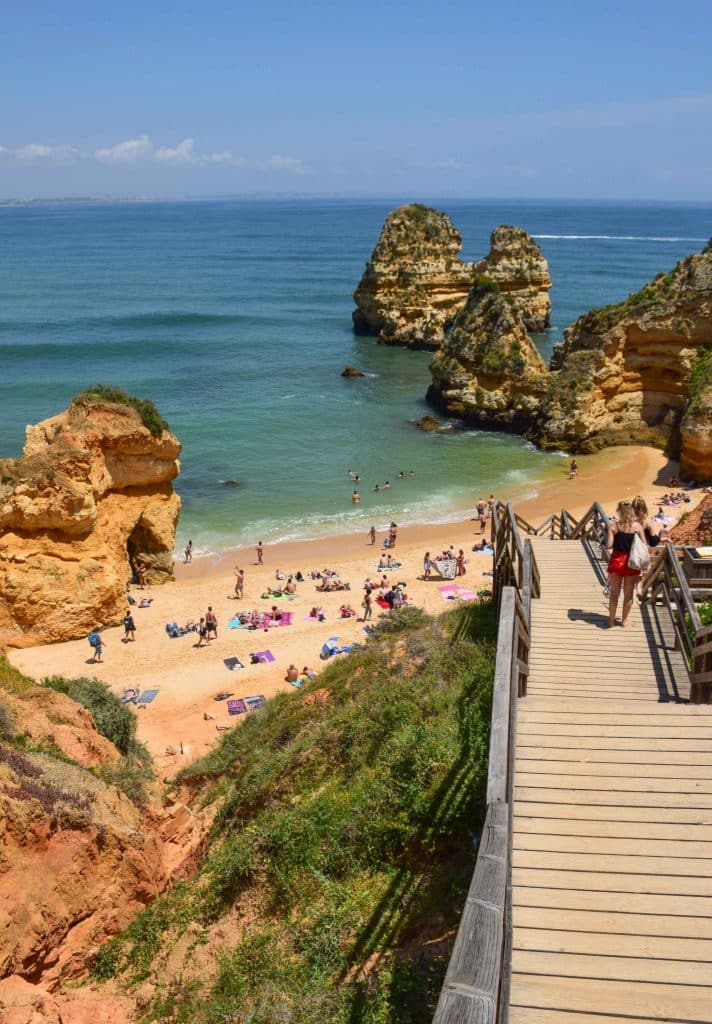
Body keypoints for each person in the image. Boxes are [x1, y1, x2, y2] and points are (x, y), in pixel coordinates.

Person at [606, 500, 646, 627]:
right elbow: (644, 545)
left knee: (614, 593)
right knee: (628, 594)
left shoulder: (614, 526)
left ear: (619, 511)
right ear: (631, 511)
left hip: (617, 561)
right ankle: (624, 620)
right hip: (631, 562)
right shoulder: (637, 527)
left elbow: (609, 545)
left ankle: (611, 621)